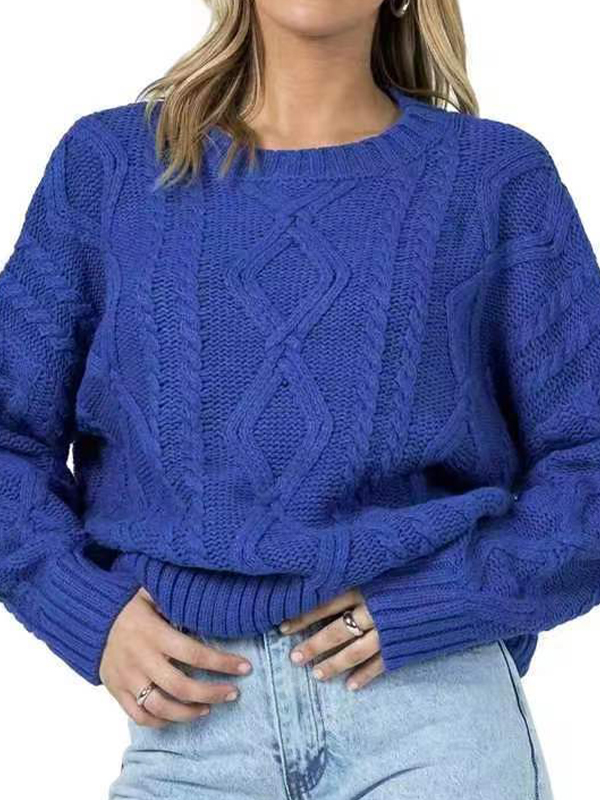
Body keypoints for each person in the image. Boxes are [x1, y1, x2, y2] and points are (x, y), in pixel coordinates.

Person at [2, 0, 599, 797]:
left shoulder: (494, 178)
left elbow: (587, 454)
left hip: (433, 715)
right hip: (191, 727)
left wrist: (448, 599)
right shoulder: (108, 169)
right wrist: (85, 610)